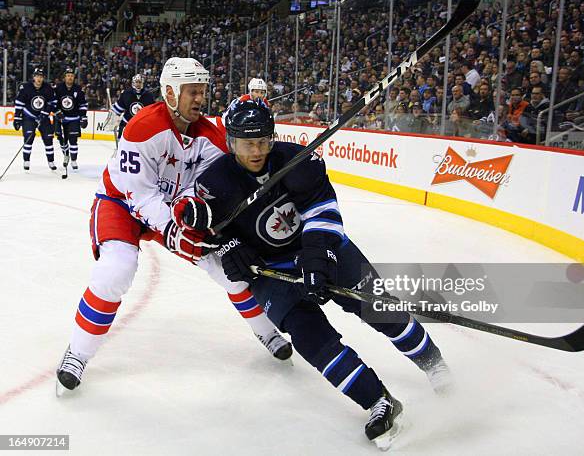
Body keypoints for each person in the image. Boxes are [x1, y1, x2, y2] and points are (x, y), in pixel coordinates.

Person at [184, 100, 452, 449]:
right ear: (230, 142)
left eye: (264, 141)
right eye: (248, 143)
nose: (257, 150)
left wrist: (317, 259)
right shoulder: (213, 182)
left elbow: (323, 212)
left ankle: (434, 364)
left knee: (381, 309)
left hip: (325, 249)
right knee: (312, 340)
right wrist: (230, 248)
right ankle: (378, 401)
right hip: (270, 272)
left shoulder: (297, 159)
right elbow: (209, 233)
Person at [56, 58, 292, 395]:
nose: (199, 98)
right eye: (192, 92)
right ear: (169, 92)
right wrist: (172, 230)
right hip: (120, 204)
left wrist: (201, 217)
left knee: (228, 266)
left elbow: (213, 188)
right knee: (115, 271)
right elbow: (136, 192)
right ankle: (77, 353)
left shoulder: (211, 137)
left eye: (202, 92)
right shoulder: (142, 127)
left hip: (173, 211)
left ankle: (266, 331)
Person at [13, 67, 58, 171]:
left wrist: (44, 113)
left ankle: (51, 161)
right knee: (28, 138)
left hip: (44, 118)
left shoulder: (48, 88)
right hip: (29, 117)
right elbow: (19, 103)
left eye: (41, 77)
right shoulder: (26, 88)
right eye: (37, 76)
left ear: (43, 78)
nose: (39, 78)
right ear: (33, 77)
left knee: (48, 139)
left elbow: (53, 103)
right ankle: (26, 161)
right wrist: (16, 118)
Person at [54, 67, 88, 170]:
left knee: (73, 140)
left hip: (74, 118)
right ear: (64, 77)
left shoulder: (78, 89)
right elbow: (53, 102)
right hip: (61, 119)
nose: (70, 77)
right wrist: (57, 111)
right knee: (62, 140)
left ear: (74, 78)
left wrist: (83, 117)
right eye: (68, 76)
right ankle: (66, 155)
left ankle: (73, 160)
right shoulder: (58, 88)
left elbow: (82, 104)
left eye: (72, 76)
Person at [111, 74, 156, 139]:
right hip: (127, 122)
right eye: (136, 82)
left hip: (142, 124)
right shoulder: (126, 93)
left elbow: (152, 111)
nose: (138, 84)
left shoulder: (148, 96)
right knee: (122, 140)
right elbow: (119, 107)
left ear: (142, 83)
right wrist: (113, 117)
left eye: (140, 82)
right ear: (133, 83)